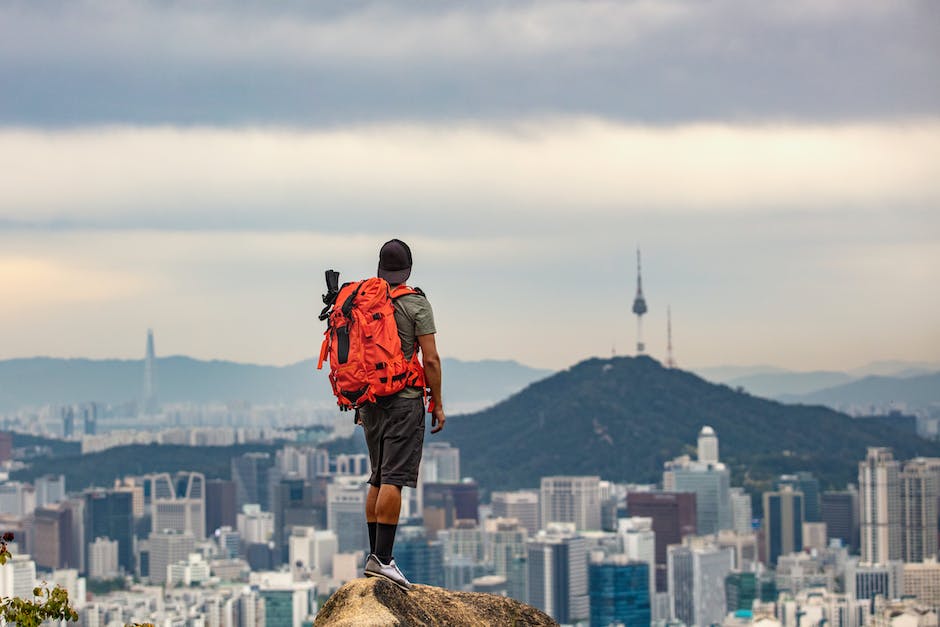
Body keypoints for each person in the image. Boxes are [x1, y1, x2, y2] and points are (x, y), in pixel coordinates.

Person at [359, 238, 446, 590]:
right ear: (408, 270)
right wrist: (436, 403)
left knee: (378, 476)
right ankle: (383, 560)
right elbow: (432, 359)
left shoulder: (363, 303)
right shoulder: (415, 304)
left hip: (369, 402)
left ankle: (374, 555)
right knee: (394, 478)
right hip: (403, 399)